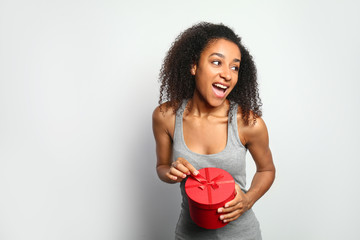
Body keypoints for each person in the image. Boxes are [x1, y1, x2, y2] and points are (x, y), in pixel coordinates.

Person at [152, 22, 275, 240]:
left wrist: (248, 200)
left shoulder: (249, 123)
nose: (227, 74)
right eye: (217, 62)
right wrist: (171, 172)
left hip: (241, 235)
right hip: (189, 234)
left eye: (234, 67)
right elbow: (162, 167)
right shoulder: (166, 117)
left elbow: (266, 170)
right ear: (194, 66)